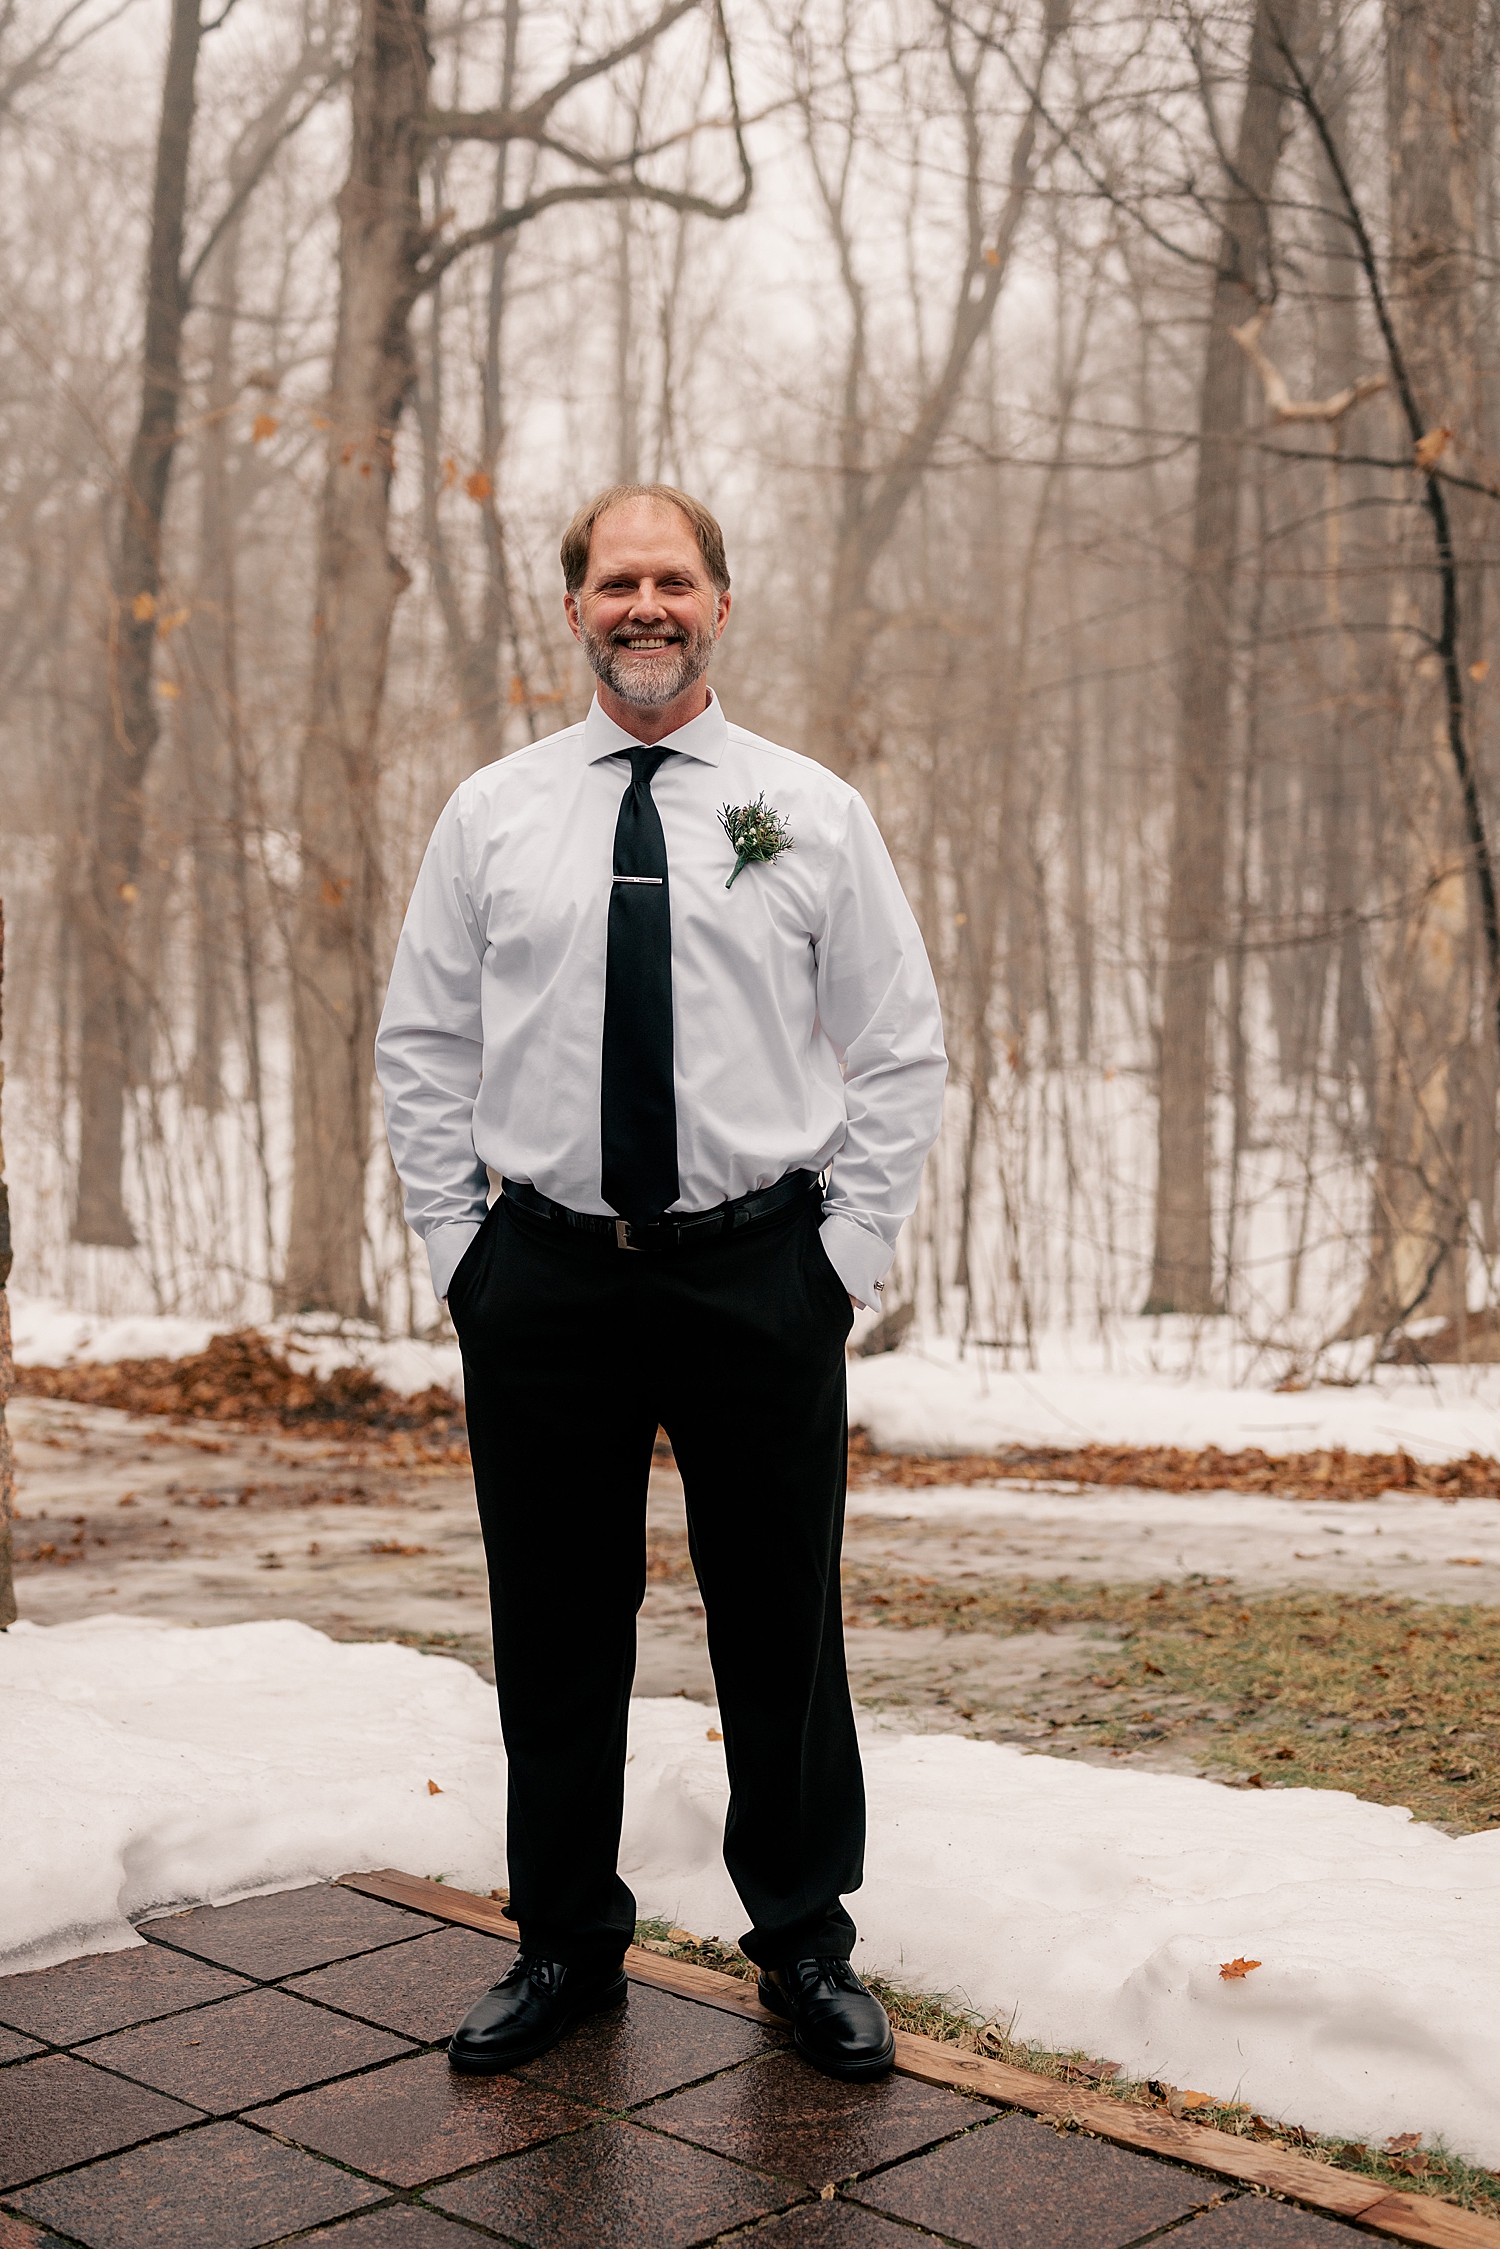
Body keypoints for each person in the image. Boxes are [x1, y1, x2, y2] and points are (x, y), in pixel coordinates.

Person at [375, 482, 946, 2082]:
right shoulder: (492, 812)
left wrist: (839, 1266)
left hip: (758, 1275)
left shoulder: (809, 810)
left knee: (781, 1621)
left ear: (720, 603)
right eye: (616, 580)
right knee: (557, 1625)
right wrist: (460, 1255)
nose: (646, 604)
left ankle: (805, 1942)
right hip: (543, 1279)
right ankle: (563, 1938)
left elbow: (901, 1049)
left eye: (673, 579)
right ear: (572, 610)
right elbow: (422, 1047)